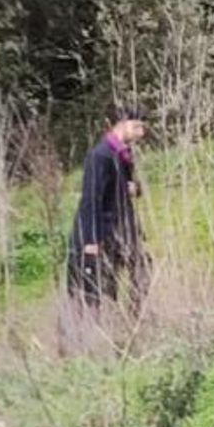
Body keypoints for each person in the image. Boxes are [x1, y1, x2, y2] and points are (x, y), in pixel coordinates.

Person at [66, 106, 151, 317]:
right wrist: (91, 240)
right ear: (121, 124)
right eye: (136, 126)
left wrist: (135, 189)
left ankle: (134, 317)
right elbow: (91, 199)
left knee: (142, 267)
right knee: (103, 285)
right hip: (103, 230)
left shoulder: (123, 154)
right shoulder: (100, 155)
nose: (141, 133)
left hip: (122, 227)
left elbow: (126, 187)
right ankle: (104, 324)